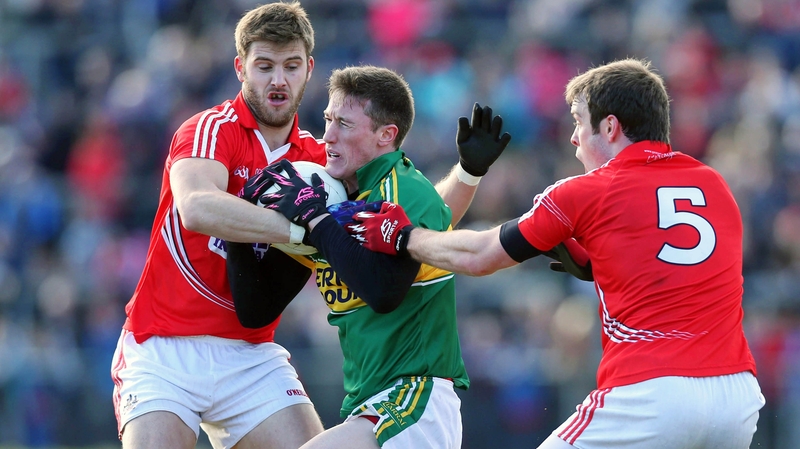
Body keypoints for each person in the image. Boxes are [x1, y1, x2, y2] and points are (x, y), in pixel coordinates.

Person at [344, 58, 766, 449]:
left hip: (651, 393)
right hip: (737, 398)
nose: (573, 137)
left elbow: (480, 255)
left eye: (579, 122)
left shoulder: (585, 191)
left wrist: (404, 236)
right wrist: (602, 265)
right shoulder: (714, 183)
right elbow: (684, 264)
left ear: (611, 127)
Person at [227, 64, 511, 449]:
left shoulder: (404, 188)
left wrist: (316, 219)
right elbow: (255, 311)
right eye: (328, 119)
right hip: (369, 405)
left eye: (343, 124)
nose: (327, 136)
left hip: (415, 399)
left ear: (385, 135)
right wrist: (244, 226)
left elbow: (383, 291)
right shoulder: (335, 199)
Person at [109, 3, 328, 448]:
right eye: (264, 66)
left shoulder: (319, 161)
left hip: (251, 356)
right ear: (240, 68)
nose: (278, 80)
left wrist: (465, 177)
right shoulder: (211, 128)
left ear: (309, 68)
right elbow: (197, 206)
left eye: (290, 66)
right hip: (163, 346)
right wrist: (300, 230)